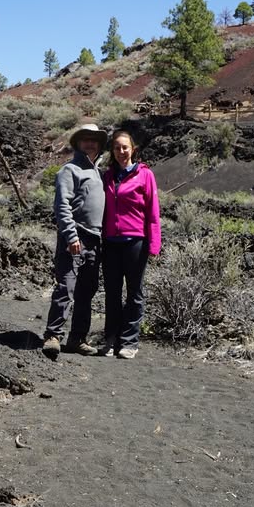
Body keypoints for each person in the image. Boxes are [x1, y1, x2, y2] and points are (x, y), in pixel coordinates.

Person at [41, 123, 107, 360]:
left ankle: (77, 338)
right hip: (76, 236)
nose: (90, 143)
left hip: (95, 239)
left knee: (86, 291)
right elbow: (62, 206)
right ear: (78, 143)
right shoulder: (69, 170)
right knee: (66, 287)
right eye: (86, 139)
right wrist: (71, 235)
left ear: (99, 144)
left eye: (94, 140)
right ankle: (53, 335)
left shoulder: (98, 173)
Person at [100, 130, 161, 359]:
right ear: (112, 151)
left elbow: (153, 212)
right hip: (111, 243)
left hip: (135, 242)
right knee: (112, 293)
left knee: (134, 293)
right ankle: (111, 340)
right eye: (117, 148)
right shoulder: (107, 177)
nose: (121, 152)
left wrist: (154, 244)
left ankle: (130, 342)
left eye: (125, 147)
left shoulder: (145, 175)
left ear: (133, 149)